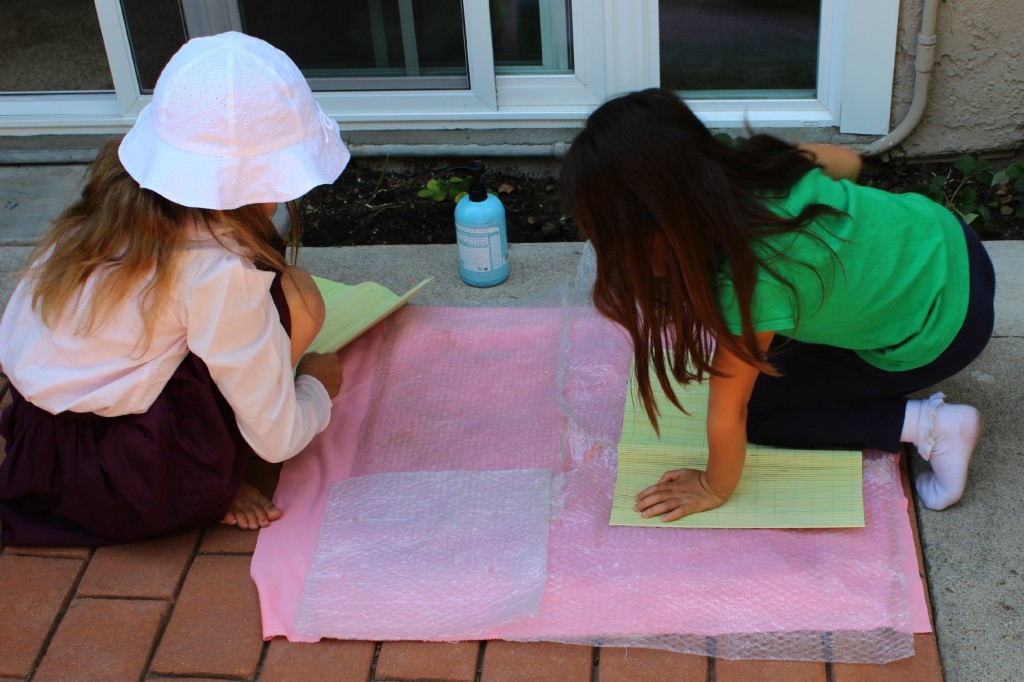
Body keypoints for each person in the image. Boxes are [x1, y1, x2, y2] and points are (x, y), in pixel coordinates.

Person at [561, 88, 995, 521]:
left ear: (660, 233)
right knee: (784, 343)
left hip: (946, 330)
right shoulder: (762, 166)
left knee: (764, 411)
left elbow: (730, 413)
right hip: (949, 241)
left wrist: (713, 485)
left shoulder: (746, 283)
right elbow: (848, 163)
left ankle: (932, 427)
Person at [0, 32, 350, 546]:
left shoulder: (113, 203)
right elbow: (279, 439)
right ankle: (204, 483)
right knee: (299, 298)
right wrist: (317, 386)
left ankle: (198, 462)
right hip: (124, 480)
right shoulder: (219, 273)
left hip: (40, 443)